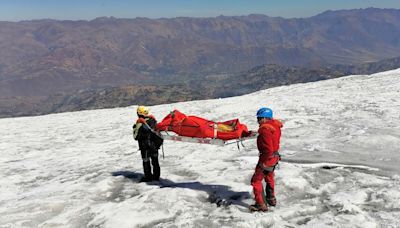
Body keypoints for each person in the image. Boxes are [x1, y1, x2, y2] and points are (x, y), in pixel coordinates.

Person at [249, 107, 283, 212]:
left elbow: (268, 149)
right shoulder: (275, 126)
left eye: (259, 118)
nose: (258, 121)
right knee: (269, 176)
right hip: (275, 157)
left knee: (256, 180)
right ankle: (271, 199)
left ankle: (261, 204)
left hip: (267, 158)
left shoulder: (265, 129)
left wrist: (262, 163)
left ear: (264, 118)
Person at [133, 105, 161, 182]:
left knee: (146, 161)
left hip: (145, 147)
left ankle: (148, 177)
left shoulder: (140, 123)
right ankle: (156, 177)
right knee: (155, 161)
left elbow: (135, 136)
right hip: (154, 146)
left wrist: (136, 125)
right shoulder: (153, 120)